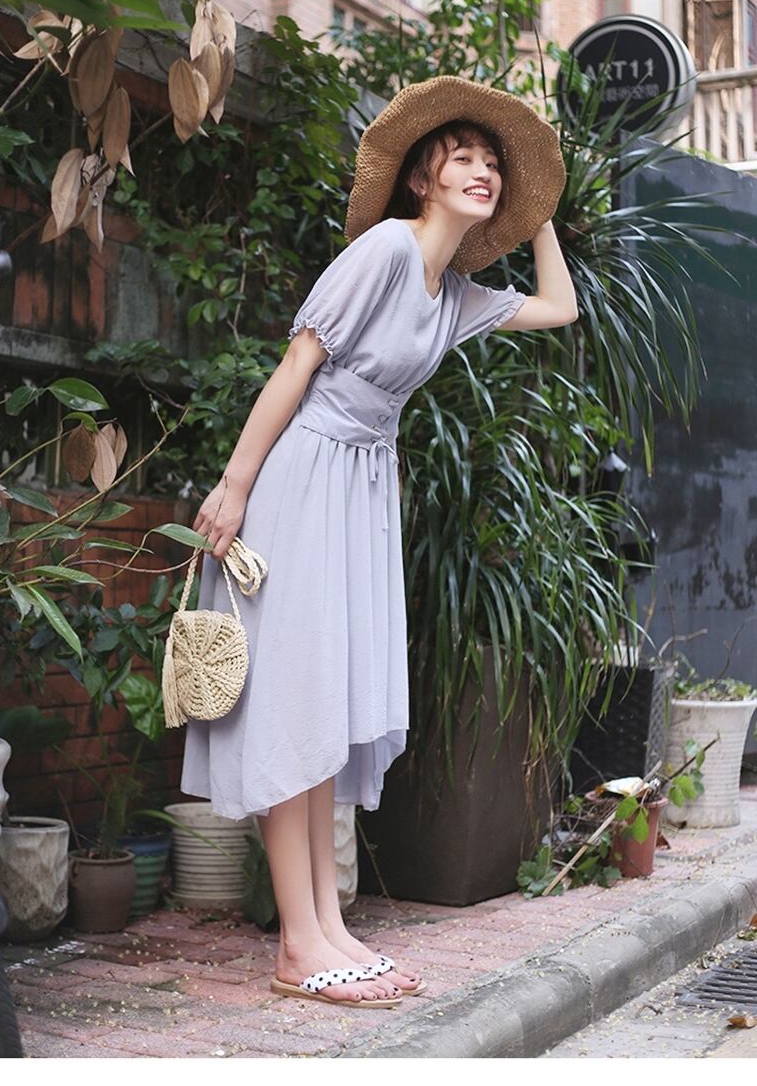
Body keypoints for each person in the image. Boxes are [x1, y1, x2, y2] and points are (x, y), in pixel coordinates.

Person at [182, 76, 578, 1007]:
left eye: (494, 165)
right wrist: (235, 485)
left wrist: (539, 211)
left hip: (360, 489)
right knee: (293, 698)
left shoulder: (453, 292)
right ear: (419, 180)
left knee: (324, 700)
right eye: (462, 158)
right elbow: (299, 362)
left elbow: (559, 306)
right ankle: (298, 943)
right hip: (306, 477)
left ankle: (326, 927)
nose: (482, 172)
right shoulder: (386, 252)